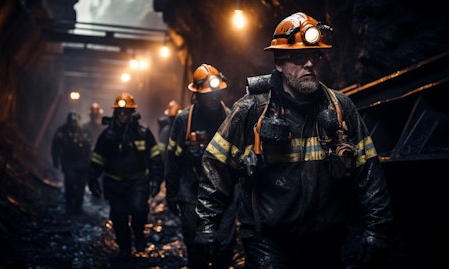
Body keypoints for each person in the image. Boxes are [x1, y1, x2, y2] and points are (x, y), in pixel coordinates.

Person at [194, 12, 393, 269]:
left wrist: (377, 227)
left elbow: (369, 170)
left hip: (326, 240)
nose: (309, 64)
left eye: (315, 56)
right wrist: (207, 223)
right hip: (268, 240)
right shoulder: (251, 110)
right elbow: (216, 165)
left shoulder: (341, 108)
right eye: (299, 58)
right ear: (279, 63)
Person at [165, 64, 237, 269]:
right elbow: (173, 160)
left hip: (225, 196)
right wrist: (171, 193)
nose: (213, 98)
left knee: (224, 247)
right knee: (196, 247)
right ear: (197, 94)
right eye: (208, 95)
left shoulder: (230, 117)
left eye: (216, 93)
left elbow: (239, 161)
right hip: (191, 194)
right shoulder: (183, 120)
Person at [87, 92, 164, 259]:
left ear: (132, 113)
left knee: (138, 210)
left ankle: (139, 235)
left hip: (138, 182)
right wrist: (92, 178)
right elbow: (97, 159)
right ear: (115, 113)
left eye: (126, 112)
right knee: (119, 219)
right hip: (114, 184)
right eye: (120, 112)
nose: (122, 116)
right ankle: (125, 248)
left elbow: (155, 158)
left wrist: (157, 179)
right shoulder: (107, 135)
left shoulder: (143, 133)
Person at [51, 111, 92, 215]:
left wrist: (92, 163)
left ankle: (78, 207)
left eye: (75, 121)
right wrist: (55, 159)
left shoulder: (84, 131)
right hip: (68, 163)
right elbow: (55, 146)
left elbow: (90, 147)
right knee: (69, 183)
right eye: (71, 121)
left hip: (83, 164)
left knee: (81, 186)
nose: (73, 123)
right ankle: (69, 205)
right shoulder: (62, 131)